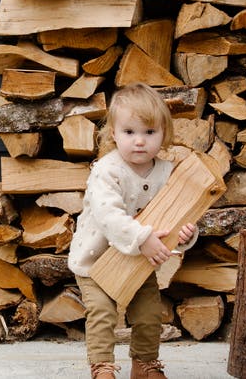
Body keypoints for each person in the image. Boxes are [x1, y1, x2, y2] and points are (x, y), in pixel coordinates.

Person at [68, 82, 198, 379]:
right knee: (103, 313)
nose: (139, 141)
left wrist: (186, 233)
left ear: (164, 134)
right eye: (129, 132)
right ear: (113, 133)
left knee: (149, 314)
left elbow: (176, 212)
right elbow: (108, 215)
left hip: (138, 262)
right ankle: (102, 367)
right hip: (95, 259)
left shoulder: (166, 172)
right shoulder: (106, 170)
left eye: (149, 132)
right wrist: (142, 237)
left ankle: (144, 364)